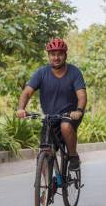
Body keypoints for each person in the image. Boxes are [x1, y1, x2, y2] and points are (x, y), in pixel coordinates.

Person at [16, 38, 87, 171]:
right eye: (53, 54)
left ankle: (73, 156)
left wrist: (78, 110)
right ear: (48, 56)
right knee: (44, 151)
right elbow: (26, 93)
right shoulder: (41, 73)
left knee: (65, 126)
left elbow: (82, 95)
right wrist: (21, 109)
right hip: (50, 117)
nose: (56, 57)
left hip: (70, 114)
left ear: (65, 55)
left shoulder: (74, 72)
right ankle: (46, 188)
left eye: (59, 54)